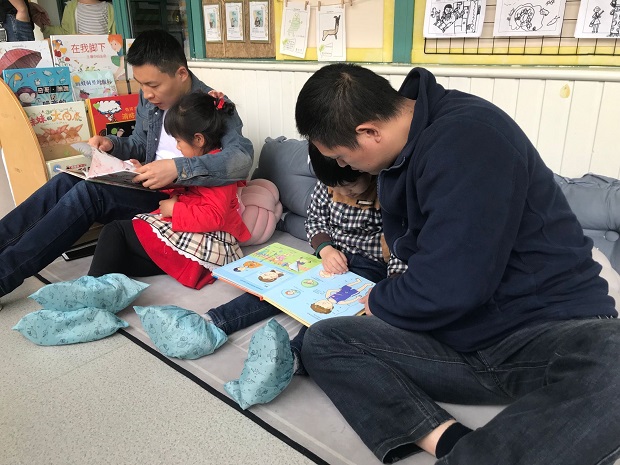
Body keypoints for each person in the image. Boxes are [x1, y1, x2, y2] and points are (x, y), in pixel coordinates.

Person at [295, 63, 620, 465]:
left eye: (342, 158)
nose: (344, 168)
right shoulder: (400, 157)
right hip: (462, 335)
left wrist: (381, 301)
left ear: (369, 132)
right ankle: (448, 439)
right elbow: (430, 270)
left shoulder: (469, 139)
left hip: (542, 329)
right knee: (325, 340)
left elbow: (452, 284)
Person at [0, 30, 253, 299]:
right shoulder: (150, 100)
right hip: (145, 181)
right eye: (141, 85)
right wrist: (112, 145)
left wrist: (177, 169)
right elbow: (141, 143)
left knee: (90, 194)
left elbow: (242, 158)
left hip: (174, 196)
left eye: (153, 85)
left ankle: (4, 276)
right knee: (66, 180)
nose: (147, 94)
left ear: (181, 74)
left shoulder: (211, 105)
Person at [88, 91, 250, 289]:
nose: (177, 147)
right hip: (192, 240)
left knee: (114, 231)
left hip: (204, 244)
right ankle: (102, 290)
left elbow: (215, 216)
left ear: (199, 139)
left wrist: (174, 209)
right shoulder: (202, 161)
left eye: (179, 141)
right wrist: (141, 172)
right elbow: (189, 189)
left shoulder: (218, 170)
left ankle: (92, 292)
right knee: (118, 256)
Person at [37, 0, 115, 37]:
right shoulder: (71, 8)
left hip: (103, 54)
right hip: (80, 53)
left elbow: (116, 34)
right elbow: (65, 31)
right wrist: (44, 27)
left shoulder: (110, 8)